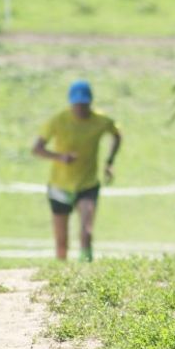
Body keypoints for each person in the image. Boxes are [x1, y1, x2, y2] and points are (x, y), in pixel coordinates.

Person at [32, 80, 122, 262]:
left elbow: (117, 135)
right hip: (60, 185)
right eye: (77, 104)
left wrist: (110, 161)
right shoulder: (58, 120)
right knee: (61, 241)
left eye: (84, 104)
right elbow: (37, 149)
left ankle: (86, 272)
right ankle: (60, 275)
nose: (80, 108)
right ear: (71, 103)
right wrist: (60, 157)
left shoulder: (101, 121)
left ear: (90, 102)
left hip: (87, 184)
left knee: (86, 232)